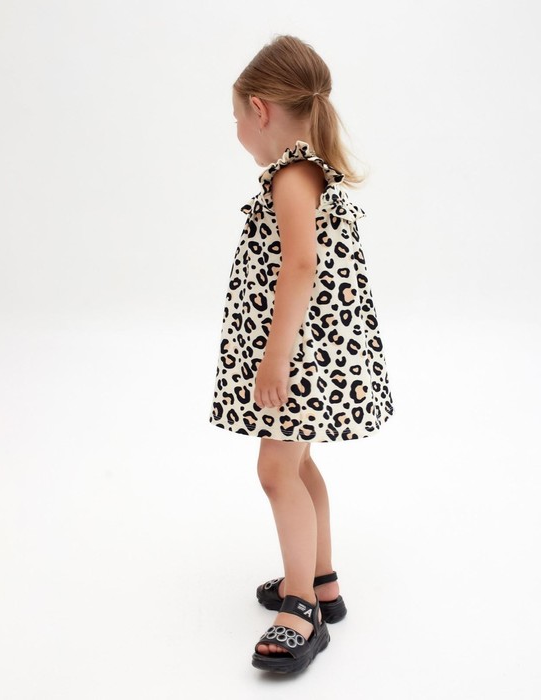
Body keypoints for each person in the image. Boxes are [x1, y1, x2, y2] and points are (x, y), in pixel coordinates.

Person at [208, 34, 394, 674]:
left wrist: (276, 356)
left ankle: (300, 611)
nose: (237, 131)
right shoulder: (310, 169)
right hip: (319, 350)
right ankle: (322, 581)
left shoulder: (291, 175)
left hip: (303, 354)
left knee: (275, 470)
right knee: (300, 462)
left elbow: (300, 265)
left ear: (260, 110)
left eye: (237, 117)